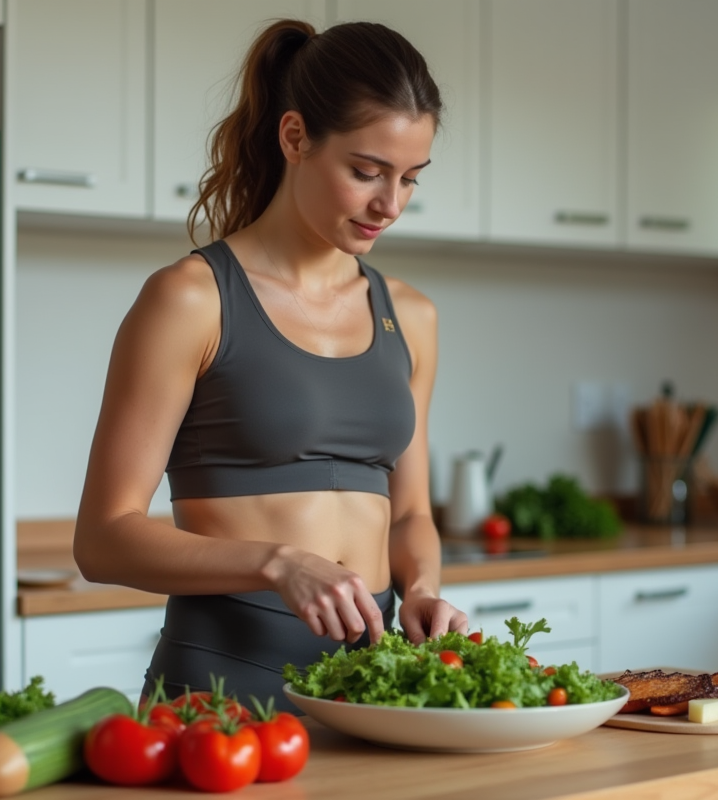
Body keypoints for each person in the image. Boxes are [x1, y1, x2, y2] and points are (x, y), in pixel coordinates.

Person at [72, 17, 468, 710]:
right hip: (223, 691)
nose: (392, 204)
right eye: (366, 172)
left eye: (411, 178)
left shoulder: (412, 315)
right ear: (295, 137)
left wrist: (425, 590)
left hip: (372, 691)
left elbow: (408, 513)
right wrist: (276, 561)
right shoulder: (192, 300)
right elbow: (103, 541)